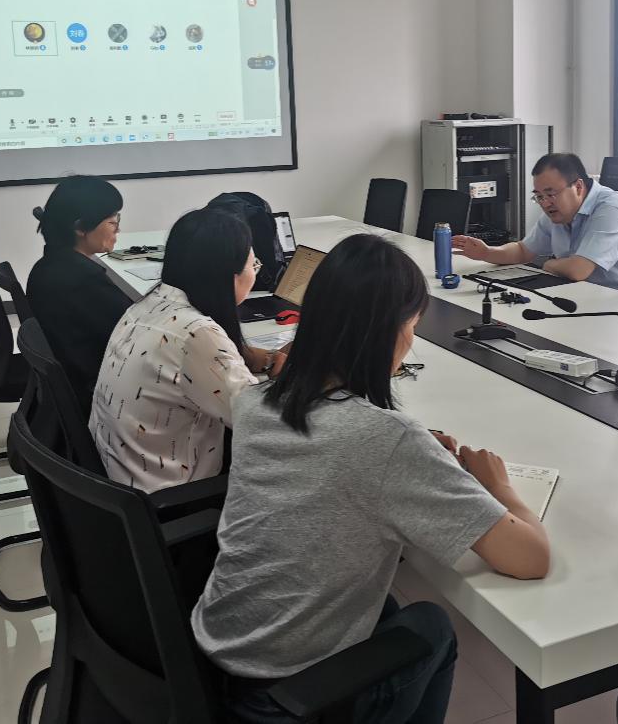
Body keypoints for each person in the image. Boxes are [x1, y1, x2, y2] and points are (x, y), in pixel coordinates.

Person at [192, 234, 551, 724]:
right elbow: (531, 558)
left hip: (218, 657)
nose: (411, 341)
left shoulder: (256, 401)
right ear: (387, 333)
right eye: (411, 326)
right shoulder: (387, 440)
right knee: (432, 627)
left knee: (387, 610)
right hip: (287, 699)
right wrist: (498, 485)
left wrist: (410, 449)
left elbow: (339, 449)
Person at [89, 208, 284, 491]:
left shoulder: (150, 303)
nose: (255, 273)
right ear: (229, 275)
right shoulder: (196, 334)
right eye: (253, 265)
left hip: (120, 476)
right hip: (170, 496)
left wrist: (262, 360)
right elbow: (265, 425)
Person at [451, 152, 618, 298]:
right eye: (539, 196)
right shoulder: (559, 212)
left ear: (578, 187)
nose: (545, 203)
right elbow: (523, 250)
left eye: (550, 194)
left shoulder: (611, 208)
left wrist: (548, 264)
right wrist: (487, 252)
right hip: (587, 292)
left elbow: (577, 270)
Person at [27, 175, 132, 409]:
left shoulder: (48, 266)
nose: (118, 229)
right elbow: (135, 334)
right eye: (112, 222)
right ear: (80, 227)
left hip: (73, 384)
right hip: (99, 393)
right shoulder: (83, 282)